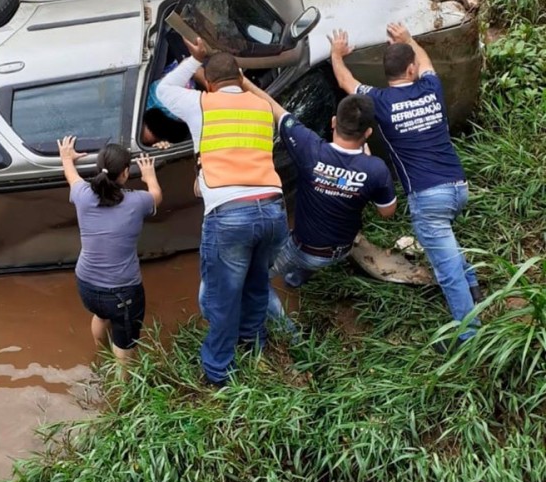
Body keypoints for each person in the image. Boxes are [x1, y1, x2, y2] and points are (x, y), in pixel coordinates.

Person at [329, 22, 482, 348]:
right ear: (411, 69)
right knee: (447, 249)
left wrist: (336, 53)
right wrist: (408, 38)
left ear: (387, 74)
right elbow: (426, 63)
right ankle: (473, 286)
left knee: (446, 271)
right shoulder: (431, 89)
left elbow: (345, 82)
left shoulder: (380, 101)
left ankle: (470, 337)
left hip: (428, 198)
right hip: (457, 187)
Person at [156, 40, 288, 386]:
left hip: (231, 215)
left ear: (210, 83)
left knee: (221, 298)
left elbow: (163, 89)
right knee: (258, 284)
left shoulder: (202, 104)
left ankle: (217, 372)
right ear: (240, 77)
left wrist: (194, 59)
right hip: (273, 210)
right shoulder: (261, 108)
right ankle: (254, 346)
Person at [242, 81, 397, 322]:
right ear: (368, 133)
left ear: (334, 122)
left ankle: (287, 331)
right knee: (308, 262)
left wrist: (241, 81)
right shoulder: (376, 170)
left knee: (252, 279)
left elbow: (273, 107)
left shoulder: (310, 148)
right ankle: (296, 279)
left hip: (303, 249)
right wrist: (368, 165)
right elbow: (387, 211)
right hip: (343, 249)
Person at [58, 136, 163, 372]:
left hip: (86, 283)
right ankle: (122, 391)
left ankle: (101, 357)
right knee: (124, 342)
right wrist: (150, 176)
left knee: (100, 316)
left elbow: (70, 175)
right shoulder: (138, 201)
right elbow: (157, 195)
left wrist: (67, 157)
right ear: (125, 173)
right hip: (122, 290)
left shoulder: (83, 195)